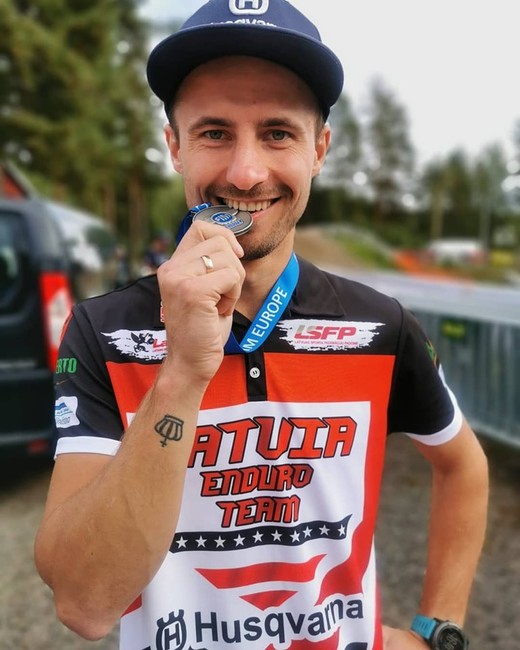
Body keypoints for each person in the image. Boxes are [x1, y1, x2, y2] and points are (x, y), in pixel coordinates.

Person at [34, 2, 488, 649]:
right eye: (215, 133)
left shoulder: (379, 324)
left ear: (319, 150)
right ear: (175, 147)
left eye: (277, 133)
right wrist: (182, 374)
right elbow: (85, 604)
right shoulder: (103, 331)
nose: (246, 173)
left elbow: (463, 466)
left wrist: (436, 632)